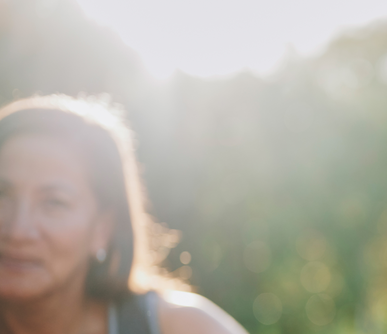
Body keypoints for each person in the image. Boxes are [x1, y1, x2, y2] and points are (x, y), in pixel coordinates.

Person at [0, 95, 247, 334]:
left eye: (54, 203)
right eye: (1, 195)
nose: (17, 230)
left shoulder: (179, 326)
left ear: (103, 228)